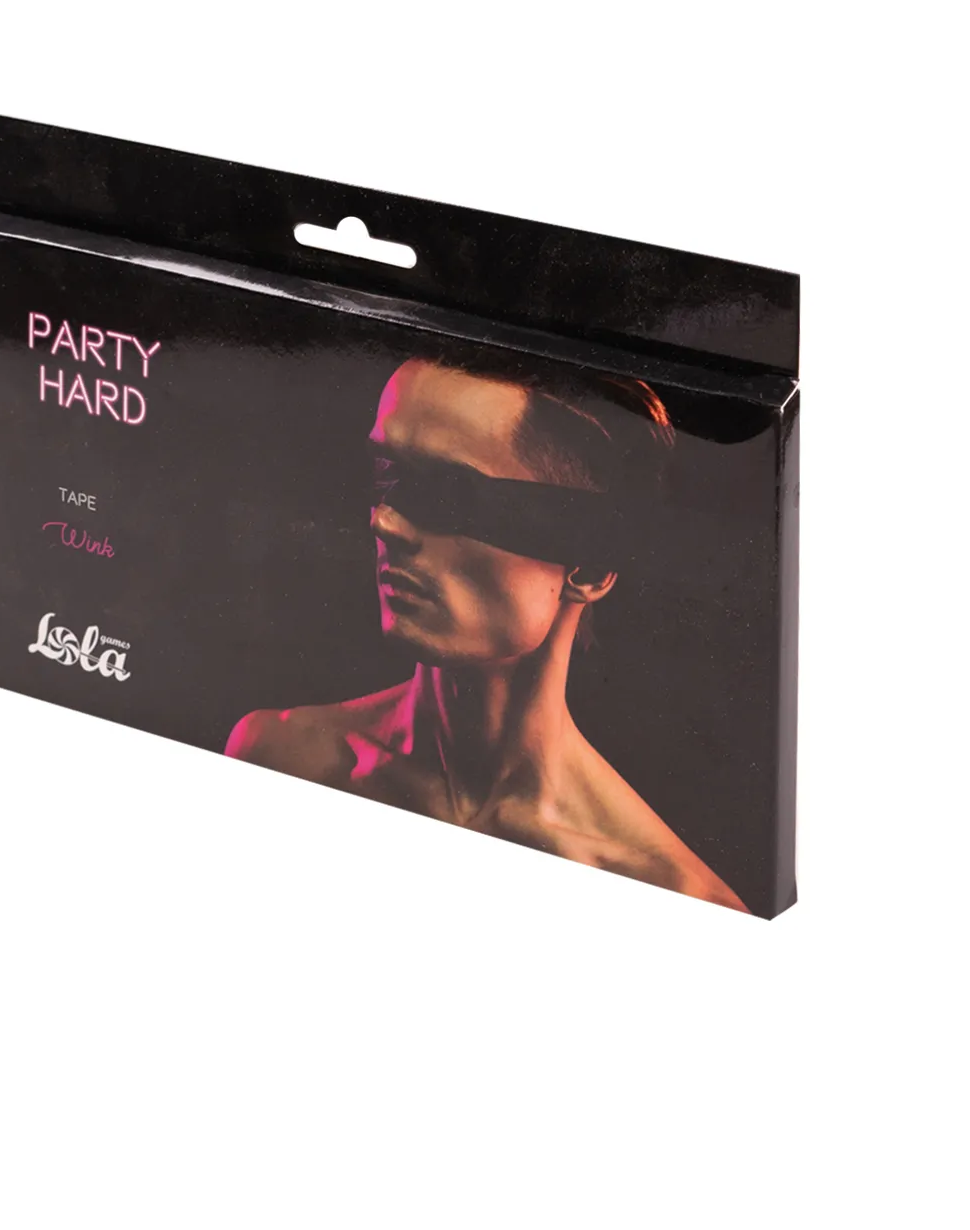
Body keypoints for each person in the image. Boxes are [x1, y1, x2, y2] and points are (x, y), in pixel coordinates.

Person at [225, 353, 747, 912]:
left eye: (450, 494)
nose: (385, 521)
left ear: (591, 566)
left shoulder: (677, 899)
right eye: (386, 473)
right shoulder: (279, 757)